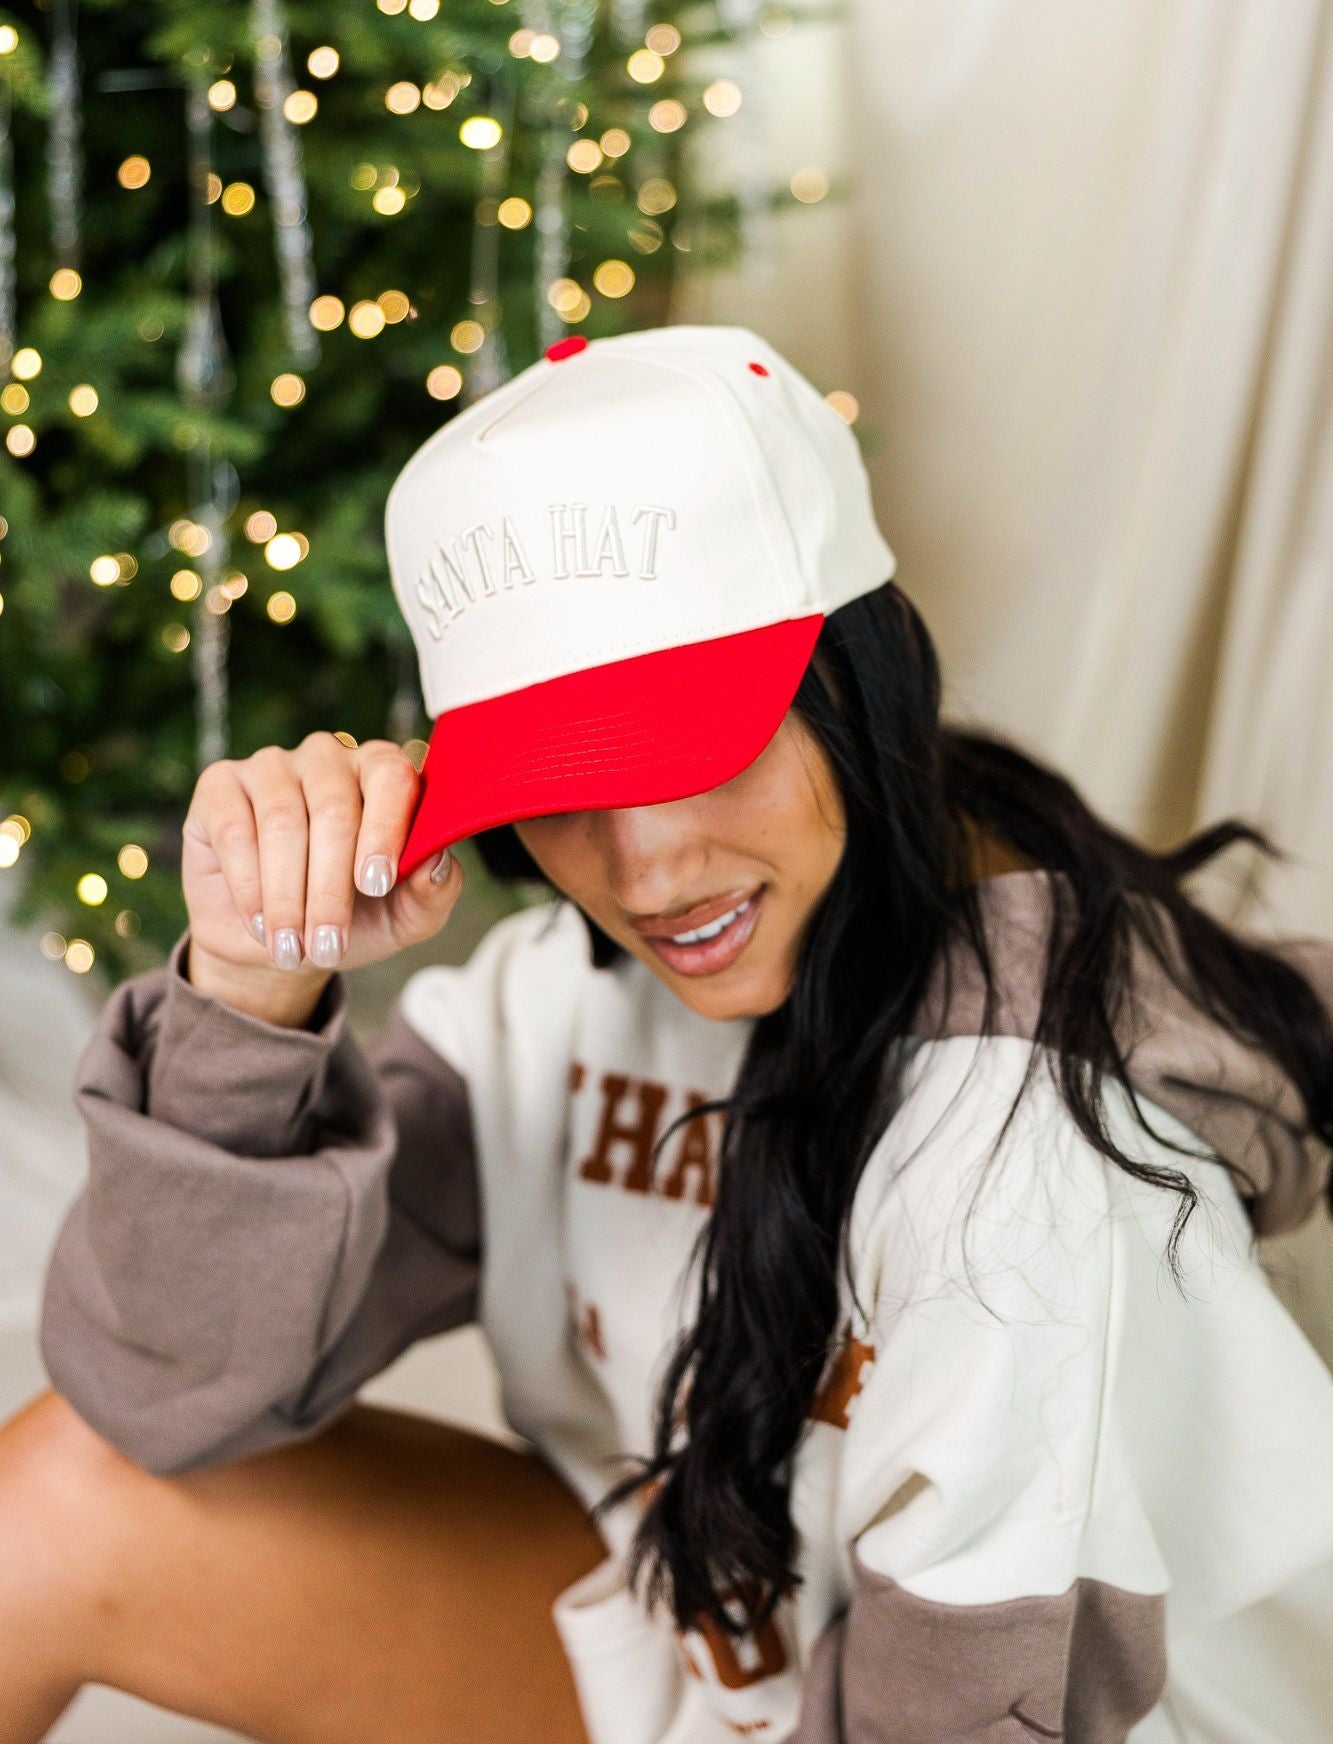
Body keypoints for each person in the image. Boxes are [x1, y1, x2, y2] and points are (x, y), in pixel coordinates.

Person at [3, 322, 1332, 1744]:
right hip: (702, 1646)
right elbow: (155, 1399)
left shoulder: (1029, 1170)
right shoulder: (545, 1000)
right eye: (561, 781)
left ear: (854, 681)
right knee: (60, 1494)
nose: (647, 874)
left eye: (697, 747)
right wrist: (250, 995)